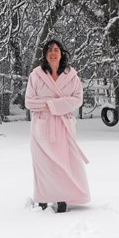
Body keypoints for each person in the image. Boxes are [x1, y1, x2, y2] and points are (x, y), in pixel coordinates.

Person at [25, 39, 91, 213]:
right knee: (43, 164)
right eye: (49, 50)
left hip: (63, 126)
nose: (53, 53)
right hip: (41, 126)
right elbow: (29, 101)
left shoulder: (72, 76)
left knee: (63, 163)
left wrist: (50, 105)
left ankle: (62, 198)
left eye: (56, 50)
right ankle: (43, 199)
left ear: (62, 53)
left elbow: (78, 99)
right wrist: (57, 104)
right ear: (45, 55)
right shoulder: (36, 75)